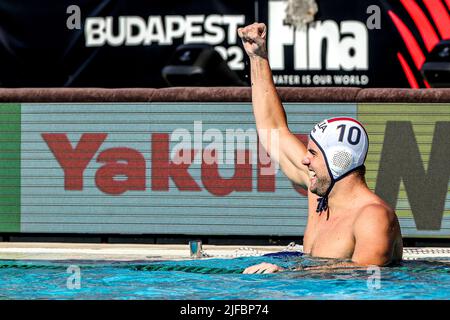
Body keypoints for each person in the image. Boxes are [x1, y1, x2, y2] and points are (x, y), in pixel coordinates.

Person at [237, 23, 403, 274]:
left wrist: (288, 276)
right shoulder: (321, 194)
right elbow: (274, 131)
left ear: (339, 160)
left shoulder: (373, 217)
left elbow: (366, 274)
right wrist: (257, 57)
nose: (305, 160)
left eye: (313, 153)